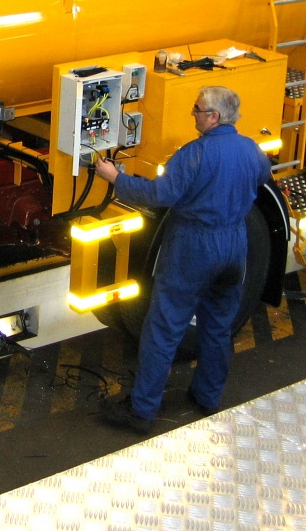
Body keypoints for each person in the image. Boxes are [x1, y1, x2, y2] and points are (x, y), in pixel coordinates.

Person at [93, 85, 271, 433]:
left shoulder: (194, 154)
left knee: (164, 328)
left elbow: (161, 195)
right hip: (235, 243)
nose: (193, 114)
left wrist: (116, 178)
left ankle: (142, 410)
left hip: (194, 245)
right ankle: (207, 397)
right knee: (218, 325)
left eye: (198, 109)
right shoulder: (252, 150)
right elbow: (263, 178)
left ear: (215, 116)